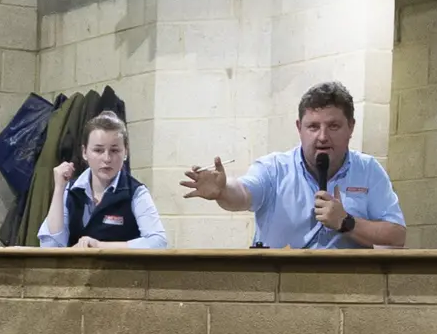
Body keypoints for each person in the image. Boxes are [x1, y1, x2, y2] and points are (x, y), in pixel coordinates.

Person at [179, 81, 405, 249]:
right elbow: (244, 194)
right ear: (299, 128)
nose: (322, 137)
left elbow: (396, 236)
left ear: (351, 127)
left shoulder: (368, 171)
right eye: (313, 127)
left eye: (333, 126)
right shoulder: (274, 168)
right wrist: (223, 190)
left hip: (347, 294)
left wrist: (346, 222)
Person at [38, 111, 167, 249]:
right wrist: (59, 189)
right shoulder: (70, 189)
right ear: (84, 152)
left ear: (126, 153)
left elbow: (158, 242)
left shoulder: (136, 192)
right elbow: (51, 245)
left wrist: (100, 246)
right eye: (98, 150)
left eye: (114, 150)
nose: (107, 159)